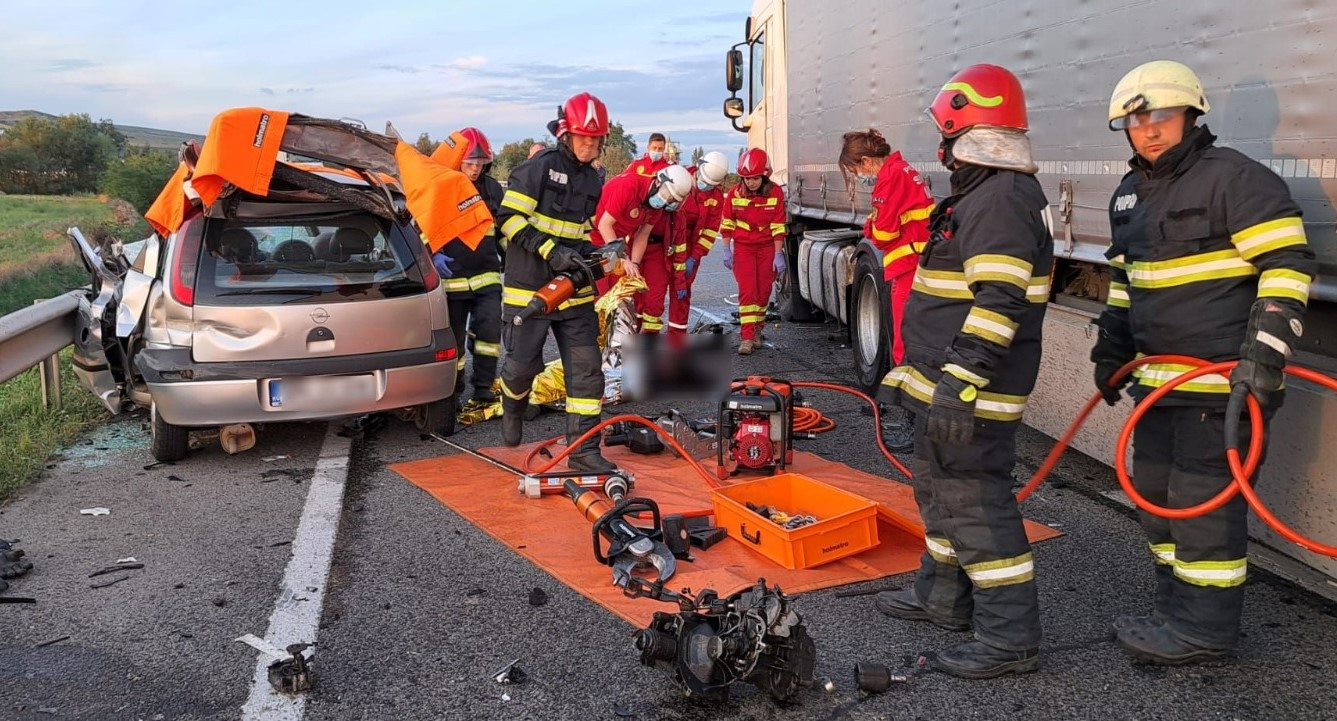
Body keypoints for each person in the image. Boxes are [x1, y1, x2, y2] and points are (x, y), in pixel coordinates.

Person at [1093, 60, 1316, 665]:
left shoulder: (1239, 181)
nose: (1148, 130)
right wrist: (1110, 346)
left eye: (1159, 116)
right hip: (1159, 390)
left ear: (1191, 115)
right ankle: (1176, 611)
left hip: (1220, 386)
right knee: (1155, 498)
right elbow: (1125, 280)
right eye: (1135, 121)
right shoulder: (1130, 194)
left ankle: (1205, 632)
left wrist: (1263, 360)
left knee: (1202, 512)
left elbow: (1287, 270)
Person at [874, 64, 1051, 679]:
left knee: (976, 503)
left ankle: (1009, 638)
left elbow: (998, 300)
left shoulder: (1000, 198)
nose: (939, 148)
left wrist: (961, 383)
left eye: (943, 134)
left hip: (971, 391)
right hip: (948, 385)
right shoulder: (985, 194)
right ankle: (942, 595)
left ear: (963, 128)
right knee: (938, 490)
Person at [495, 92, 616, 472]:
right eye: (583, 137)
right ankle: (513, 406)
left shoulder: (594, 179)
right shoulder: (537, 169)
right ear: (565, 134)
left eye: (596, 138)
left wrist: (594, 252)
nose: (590, 144)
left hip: (573, 293)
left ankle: (584, 449)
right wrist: (551, 251)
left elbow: (578, 229)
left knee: (586, 374)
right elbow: (509, 220)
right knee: (521, 368)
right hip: (528, 289)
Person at [839, 128, 936, 452]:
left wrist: (872, 225)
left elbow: (881, 231)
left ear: (866, 161)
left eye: (856, 171)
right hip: (915, 265)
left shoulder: (890, 178)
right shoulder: (901, 170)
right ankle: (910, 419)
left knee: (903, 348)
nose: (860, 177)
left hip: (908, 269)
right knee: (909, 344)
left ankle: (913, 428)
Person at [427, 127, 506, 407]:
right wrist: (433, 254)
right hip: (452, 280)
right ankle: (453, 389)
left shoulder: (493, 189)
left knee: (489, 335)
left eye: (480, 163)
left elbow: (502, 231)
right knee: (455, 342)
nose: (474, 169)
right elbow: (426, 226)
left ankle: (484, 386)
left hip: (487, 277)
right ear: (458, 160)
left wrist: (512, 257)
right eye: (469, 163)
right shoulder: (443, 188)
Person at [719, 147, 785, 355]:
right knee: (748, 291)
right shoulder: (734, 194)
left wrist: (778, 253)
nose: (750, 182)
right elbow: (728, 223)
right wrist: (726, 249)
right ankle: (747, 337)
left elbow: (778, 225)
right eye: (746, 178)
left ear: (764, 176)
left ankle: (758, 327)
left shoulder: (775, 193)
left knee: (764, 290)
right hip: (744, 248)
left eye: (755, 178)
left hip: (767, 247)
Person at [666, 151, 729, 338]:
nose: (706, 186)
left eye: (711, 184)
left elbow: (710, 231)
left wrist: (694, 257)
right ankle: (642, 338)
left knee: (681, 295)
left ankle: (676, 341)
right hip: (667, 245)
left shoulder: (715, 196)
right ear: (698, 168)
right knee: (653, 293)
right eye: (705, 180)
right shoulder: (680, 181)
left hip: (690, 251)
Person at [630, 164, 694, 333]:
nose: (671, 202)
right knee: (632, 298)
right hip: (633, 251)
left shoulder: (678, 217)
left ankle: (650, 338)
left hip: (658, 254)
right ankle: (627, 338)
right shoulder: (643, 202)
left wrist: (680, 282)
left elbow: (680, 252)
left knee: (654, 300)